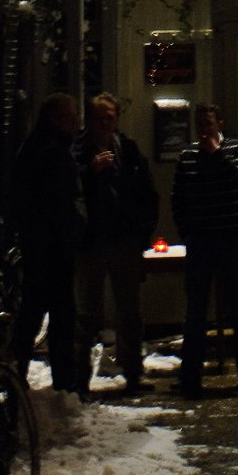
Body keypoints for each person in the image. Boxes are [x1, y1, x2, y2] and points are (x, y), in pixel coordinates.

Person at [72, 92, 160, 393]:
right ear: (90, 120)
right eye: (100, 118)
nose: (105, 123)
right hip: (92, 241)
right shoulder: (78, 151)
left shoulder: (128, 150)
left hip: (124, 239)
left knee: (130, 310)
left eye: (110, 117)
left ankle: (133, 372)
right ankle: (80, 379)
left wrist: (141, 231)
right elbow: (68, 188)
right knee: (87, 313)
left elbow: (145, 190)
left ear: (117, 119)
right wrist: (89, 171)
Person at [171, 102, 238, 396]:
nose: (204, 130)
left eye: (208, 123)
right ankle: (190, 375)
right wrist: (186, 232)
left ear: (220, 123)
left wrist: (216, 154)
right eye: (199, 125)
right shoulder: (187, 156)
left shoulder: (235, 150)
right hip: (200, 241)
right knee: (195, 312)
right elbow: (178, 197)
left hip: (231, 239)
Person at [10, 91, 86, 392]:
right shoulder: (51, 151)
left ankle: (24, 373)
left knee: (38, 311)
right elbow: (55, 201)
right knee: (54, 313)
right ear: (57, 119)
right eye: (71, 117)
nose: (75, 123)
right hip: (50, 247)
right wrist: (68, 229)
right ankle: (59, 381)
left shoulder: (40, 147)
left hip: (44, 245)